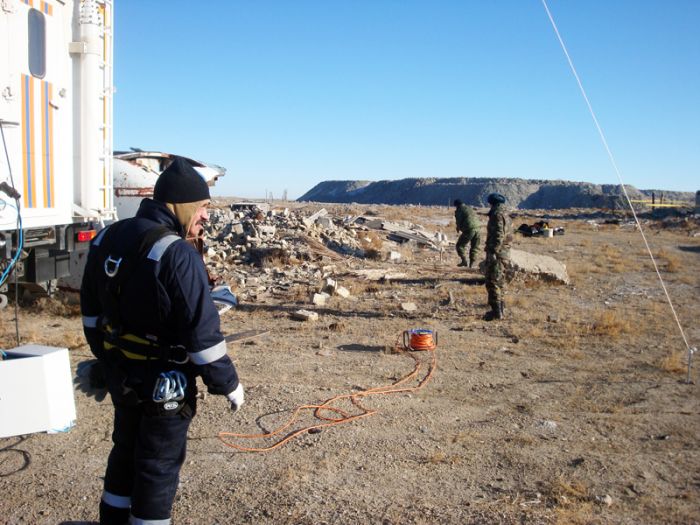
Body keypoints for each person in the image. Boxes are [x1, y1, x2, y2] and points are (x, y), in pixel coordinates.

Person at [80, 157, 244, 525]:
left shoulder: (107, 237)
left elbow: (91, 314)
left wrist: (104, 361)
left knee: (125, 451)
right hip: (164, 383)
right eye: (203, 207)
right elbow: (203, 335)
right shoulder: (176, 252)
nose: (205, 216)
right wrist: (228, 384)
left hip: (122, 376)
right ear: (182, 204)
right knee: (156, 464)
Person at [483, 192, 512, 320]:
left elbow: (498, 235)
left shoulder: (497, 215)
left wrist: (493, 251)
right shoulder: (506, 214)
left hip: (497, 253)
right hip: (504, 252)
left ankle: (496, 313)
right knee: (499, 282)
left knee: (492, 281)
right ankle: (500, 309)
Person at [453, 199, 481, 268]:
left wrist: (458, 228)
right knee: (474, 247)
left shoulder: (459, 210)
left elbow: (459, 221)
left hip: (469, 229)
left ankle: (464, 261)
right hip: (478, 229)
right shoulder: (469, 208)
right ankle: (472, 264)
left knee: (459, 245)